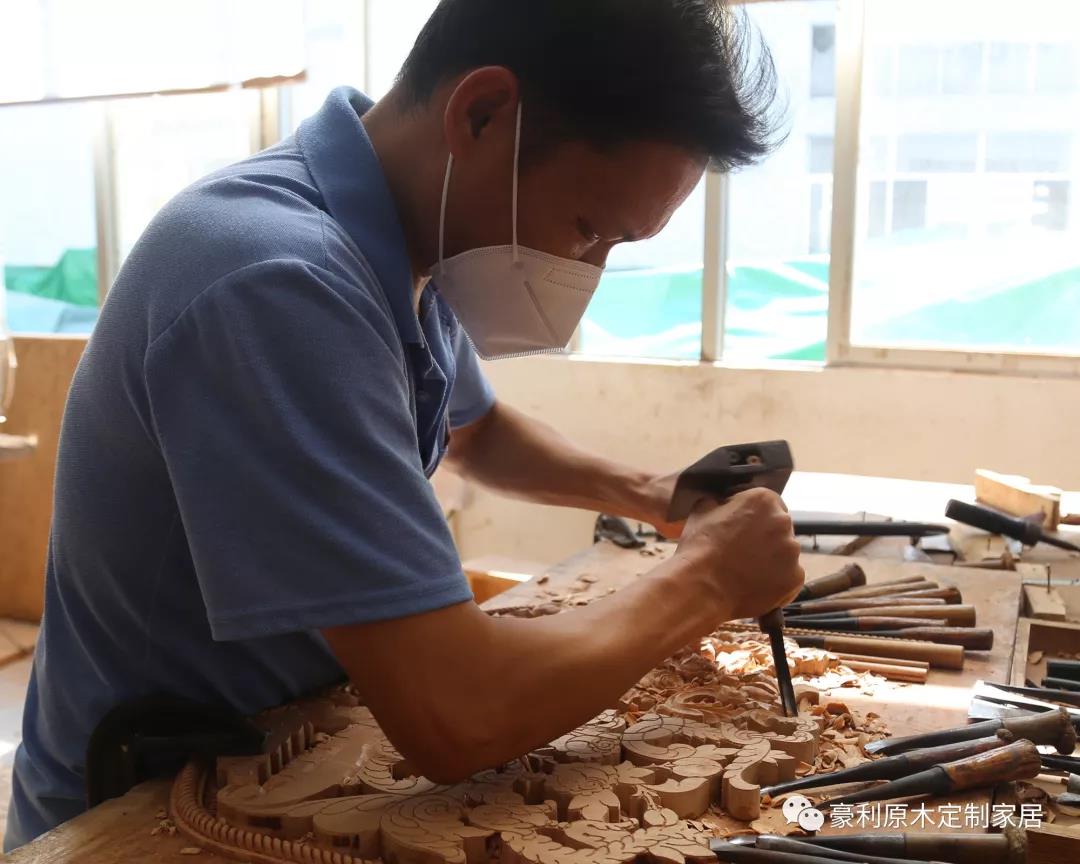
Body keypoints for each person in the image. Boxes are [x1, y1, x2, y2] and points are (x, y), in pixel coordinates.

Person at [5, 0, 803, 850]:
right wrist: (705, 581)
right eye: (586, 230)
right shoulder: (276, 279)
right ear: (482, 113)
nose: (586, 273)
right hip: (149, 809)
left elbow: (477, 433)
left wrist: (653, 491)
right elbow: (456, 713)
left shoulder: (406, 235)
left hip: (284, 746)